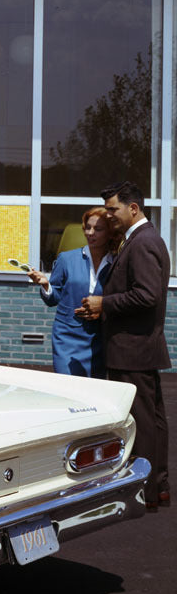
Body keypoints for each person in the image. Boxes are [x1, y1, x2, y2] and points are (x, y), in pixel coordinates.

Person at [80, 182, 171, 511]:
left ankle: (145, 490)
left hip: (133, 349)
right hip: (140, 348)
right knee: (153, 421)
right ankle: (156, 487)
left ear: (133, 208)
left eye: (113, 209)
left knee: (141, 424)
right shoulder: (143, 239)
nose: (109, 215)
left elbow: (147, 295)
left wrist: (105, 303)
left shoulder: (143, 242)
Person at [26, 207, 118, 378]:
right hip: (67, 338)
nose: (91, 233)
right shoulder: (66, 259)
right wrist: (46, 285)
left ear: (110, 233)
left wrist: (102, 307)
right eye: (88, 228)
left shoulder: (117, 263)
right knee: (68, 387)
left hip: (100, 339)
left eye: (98, 229)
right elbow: (53, 299)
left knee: (93, 392)